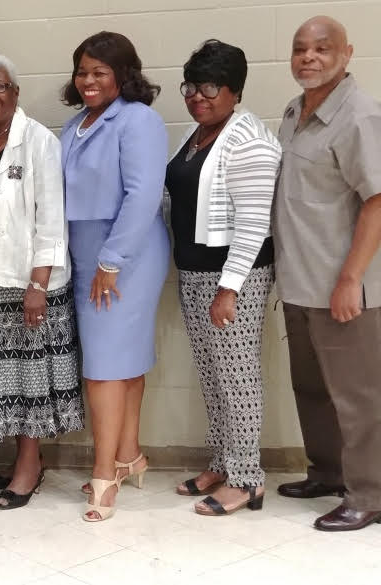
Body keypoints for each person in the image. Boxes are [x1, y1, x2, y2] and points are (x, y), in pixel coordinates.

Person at [273, 16, 381, 532]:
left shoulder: (359, 116)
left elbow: (377, 203)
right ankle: (328, 472)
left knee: (359, 398)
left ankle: (371, 494)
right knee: (311, 388)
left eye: (322, 49)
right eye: (300, 49)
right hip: (299, 281)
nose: (309, 58)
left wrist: (349, 278)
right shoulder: (294, 111)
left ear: (347, 53)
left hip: (345, 289)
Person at [0, 49, 82, 510]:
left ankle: (30, 466)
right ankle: (18, 460)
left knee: (30, 372)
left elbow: (52, 220)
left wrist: (38, 284)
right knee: (4, 371)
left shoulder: (38, 141)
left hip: (27, 272)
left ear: (15, 92)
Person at [165, 40, 281, 516]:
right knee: (213, 376)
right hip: (195, 272)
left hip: (236, 277)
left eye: (210, 86)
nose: (198, 96)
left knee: (238, 377)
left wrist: (229, 288)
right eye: (191, 86)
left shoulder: (249, 139)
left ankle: (249, 478)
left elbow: (254, 224)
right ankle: (223, 461)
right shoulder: (197, 136)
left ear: (235, 90)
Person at [60, 32, 169, 522]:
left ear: (123, 75)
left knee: (103, 365)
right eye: (83, 71)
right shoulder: (74, 124)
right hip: (86, 251)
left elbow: (144, 195)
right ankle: (129, 455)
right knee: (120, 358)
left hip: (126, 252)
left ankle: (104, 472)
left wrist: (111, 261)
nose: (88, 80)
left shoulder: (138, 119)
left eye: (100, 72)